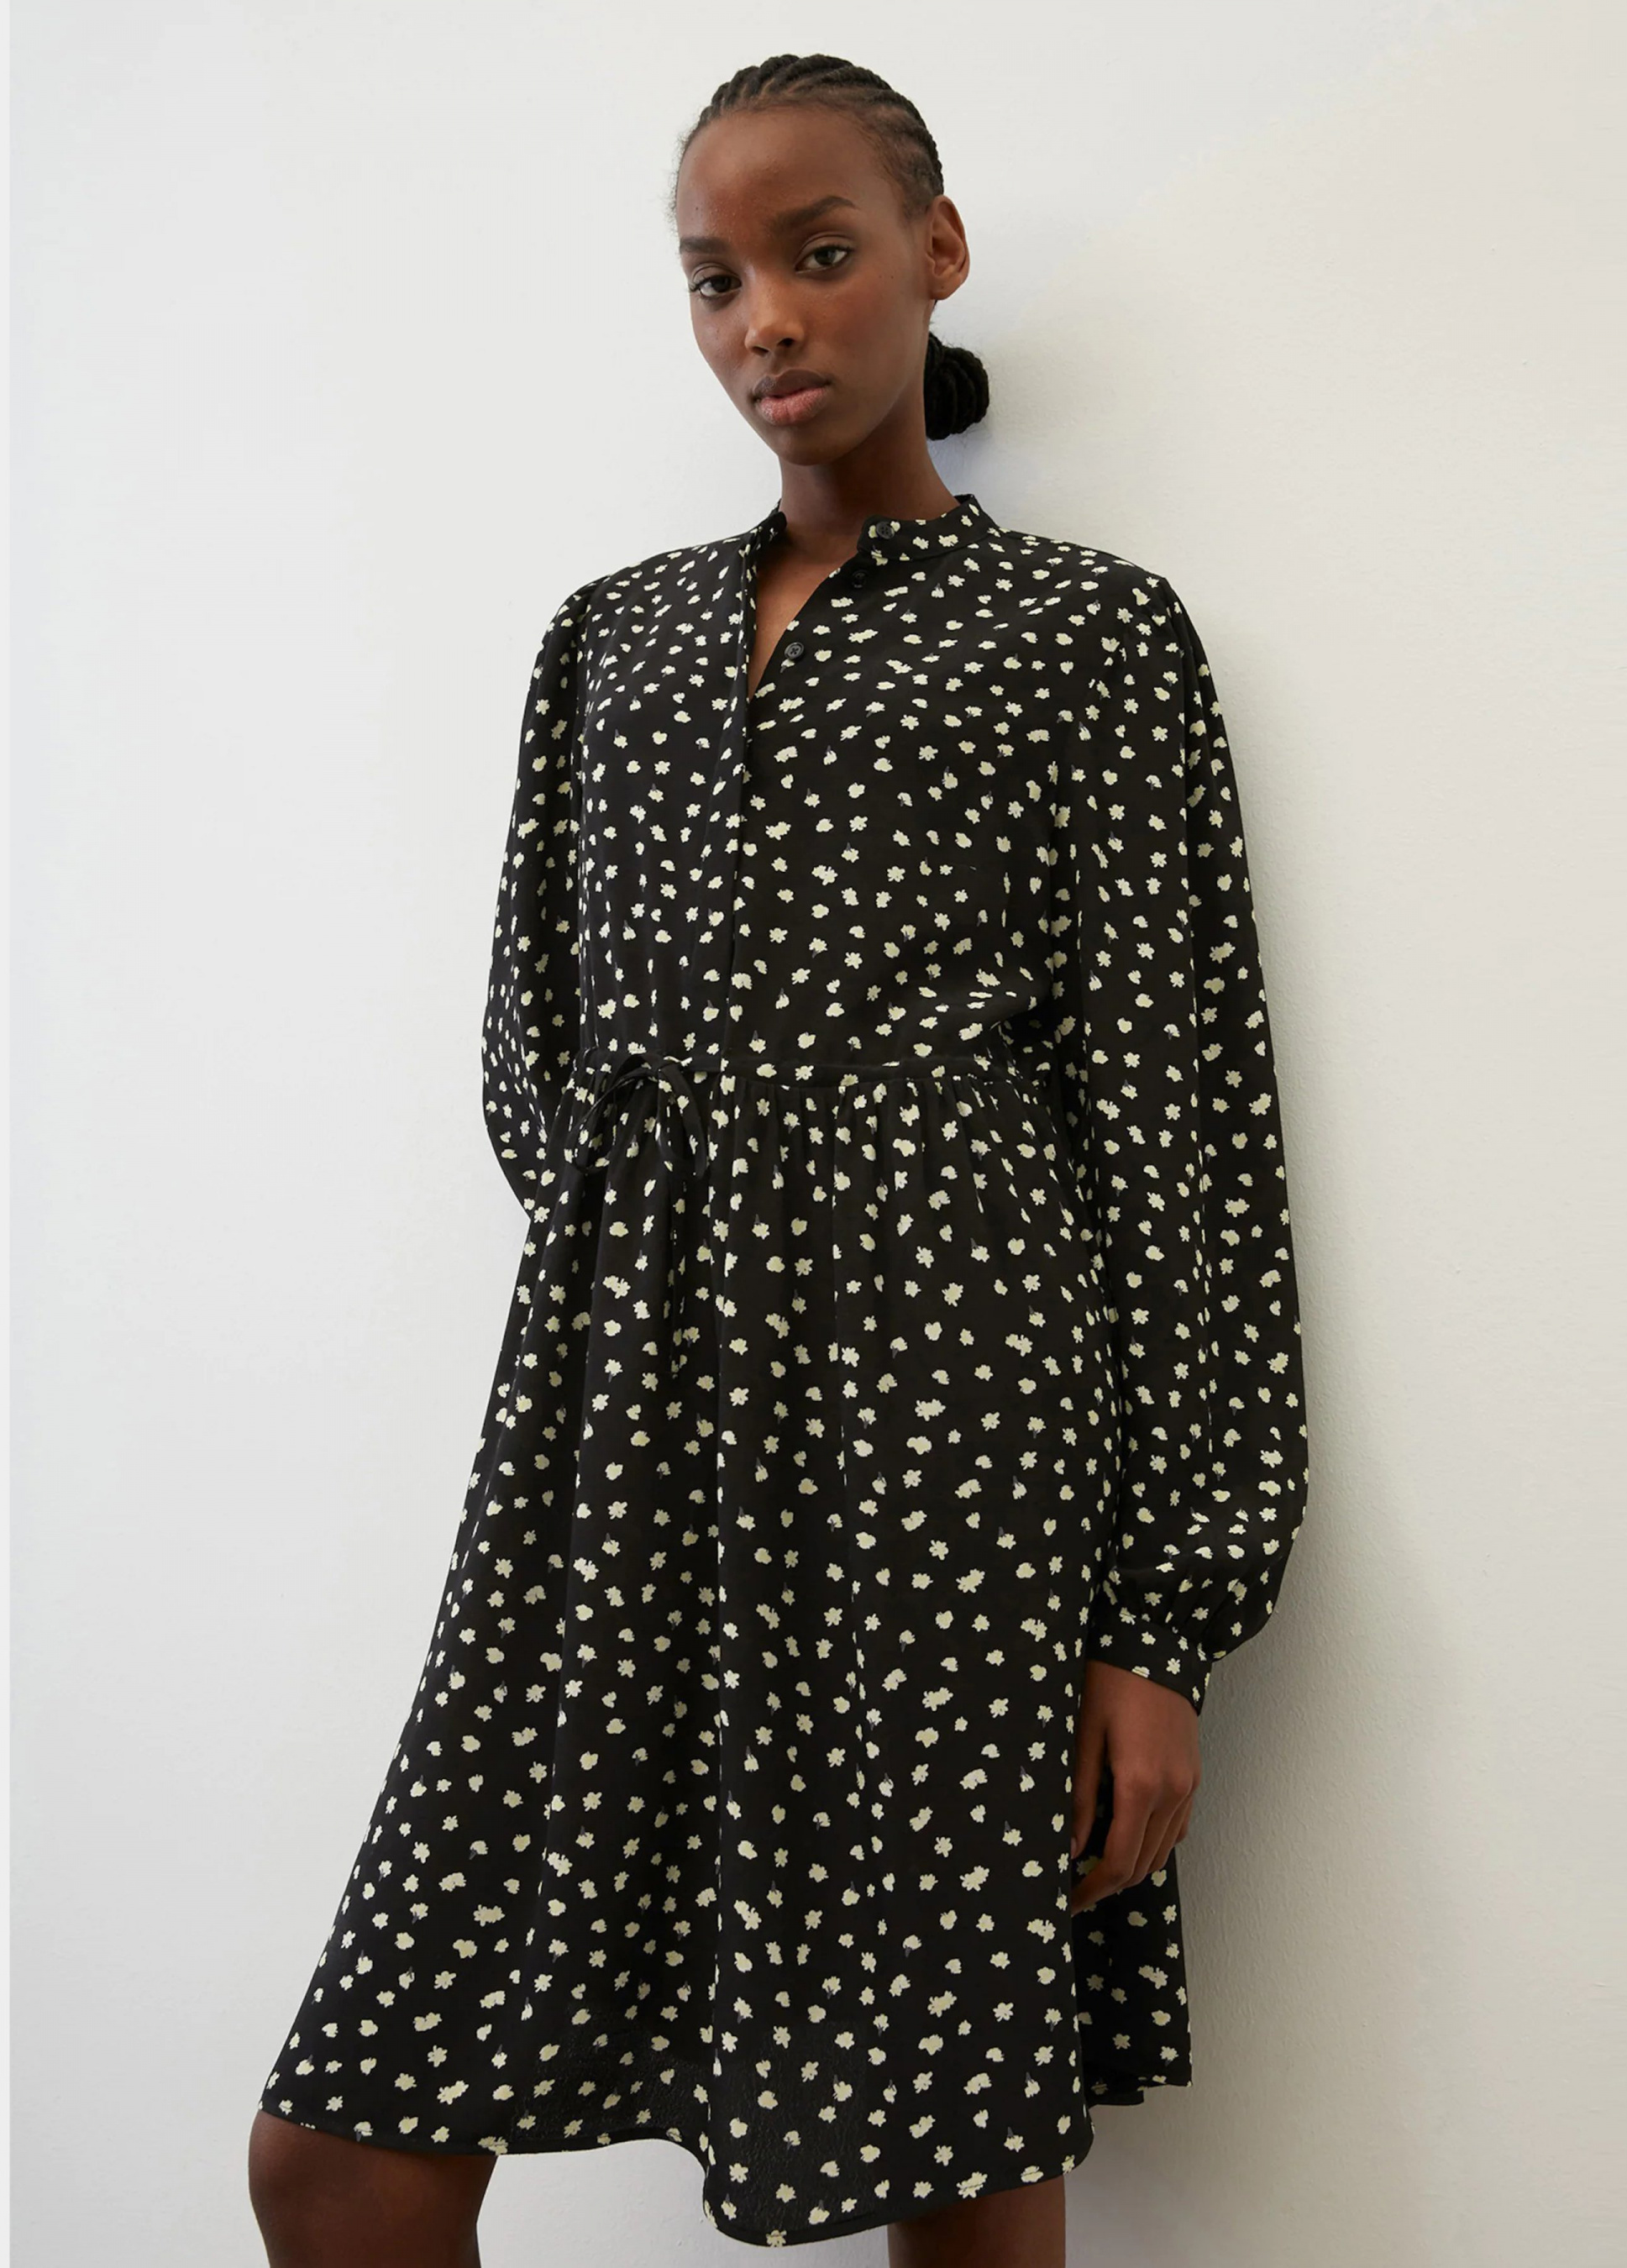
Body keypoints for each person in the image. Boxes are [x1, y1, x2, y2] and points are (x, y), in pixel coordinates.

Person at [249, 50, 1309, 2268]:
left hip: (956, 1461)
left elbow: (1184, 1147)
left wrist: (1156, 1629)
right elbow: (539, 1061)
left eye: (818, 254)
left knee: (952, 2153)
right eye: (715, 278)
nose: (769, 320)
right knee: (332, 2160)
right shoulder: (609, 640)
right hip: (623, 1444)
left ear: (934, 252)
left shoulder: (1089, 640)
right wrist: (686, 1259)